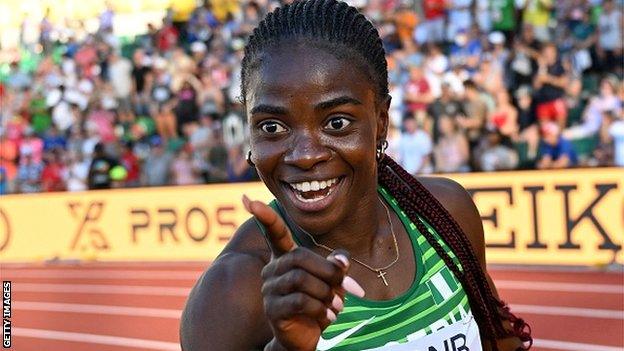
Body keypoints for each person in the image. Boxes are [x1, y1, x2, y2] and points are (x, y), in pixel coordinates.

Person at [180, 1, 531, 350]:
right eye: (272, 126)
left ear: (380, 122)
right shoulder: (232, 291)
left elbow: (500, 339)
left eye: (337, 123)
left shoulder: (446, 214)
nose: (305, 155)